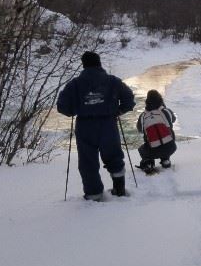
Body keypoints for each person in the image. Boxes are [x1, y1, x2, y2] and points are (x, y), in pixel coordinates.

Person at [57, 51, 135, 201]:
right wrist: (119, 110)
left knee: (88, 161)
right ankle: (119, 190)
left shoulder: (75, 84)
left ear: (84, 65)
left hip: (85, 127)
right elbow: (129, 99)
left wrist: (73, 110)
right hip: (108, 124)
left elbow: (62, 106)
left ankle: (94, 195)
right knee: (114, 156)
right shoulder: (112, 81)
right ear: (99, 63)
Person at [136, 89, 177, 173]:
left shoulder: (143, 115)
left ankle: (148, 163)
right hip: (171, 147)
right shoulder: (166, 111)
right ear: (160, 99)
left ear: (147, 101)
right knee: (165, 140)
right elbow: (173, 120)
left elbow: (140, 129)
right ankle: (165, 160)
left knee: (141, 149)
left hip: (152, 150)